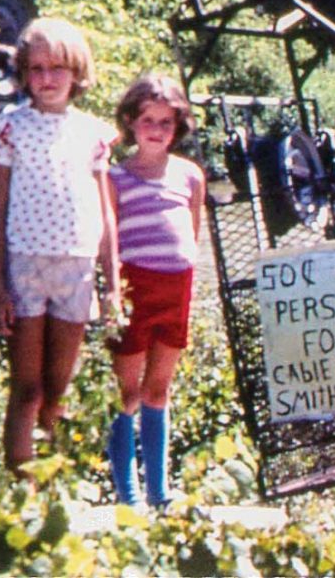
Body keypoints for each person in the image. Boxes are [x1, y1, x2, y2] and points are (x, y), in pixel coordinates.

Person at [0, 17, 120, 475]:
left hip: (76, 268)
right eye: (36, 68)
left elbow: (106, 215)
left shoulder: (92, 133)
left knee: (58, 386)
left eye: (57, 68)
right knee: (27, 387)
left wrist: (111, 287)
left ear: (77, 72)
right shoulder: (9, 128)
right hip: (25, 268)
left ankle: (52, 484)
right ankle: (21, 490)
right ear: (23, 74)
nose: (46, 78)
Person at [105, 72, 206, 508]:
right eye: (148, 120)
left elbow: (194, 235)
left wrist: (191, 285)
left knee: (158, 389)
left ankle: (159, 492)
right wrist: (110, 294)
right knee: (126, 392)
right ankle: (127, 496)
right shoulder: (115, 177)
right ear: (130, 121)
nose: (157, 130)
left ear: (178, 126)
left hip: (175, 289)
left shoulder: (190, 175)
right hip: (133, 290)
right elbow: (106, 241)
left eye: (166, 122)